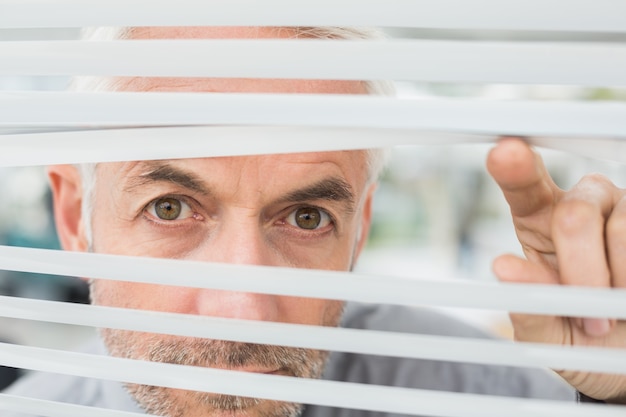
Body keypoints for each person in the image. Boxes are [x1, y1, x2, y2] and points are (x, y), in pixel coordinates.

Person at [4, 25, 626, 417]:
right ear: (74, 216)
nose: (243, 308)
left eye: (307, 216)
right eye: (170, 209)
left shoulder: (481, 396)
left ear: (358, 231)